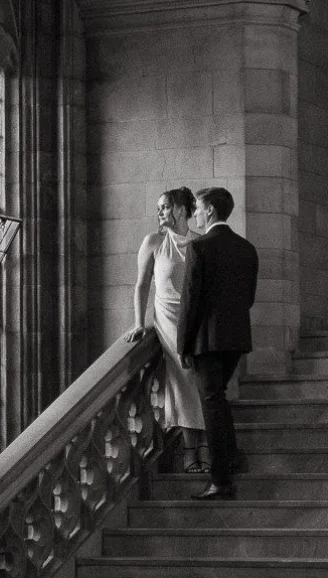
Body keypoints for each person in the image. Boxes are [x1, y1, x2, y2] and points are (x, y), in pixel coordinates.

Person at [177, 186, 259, 500]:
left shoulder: (199, 248)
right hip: (236, 339)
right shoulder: (247, 248)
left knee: (211, 405)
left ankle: (221, 480)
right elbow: (248, 298)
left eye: (197, 208)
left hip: (205, 342)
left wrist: (182, 345)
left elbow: (189, 303)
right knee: (217, 399)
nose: (195, 213)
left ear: (210, 210)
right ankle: (234, 456)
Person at [124, 187, 209, 472]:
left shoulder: (201, 243)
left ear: (181, 210)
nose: (159, 212)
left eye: (164, 207)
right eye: (159, 207)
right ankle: (190, 451)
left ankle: (201, 448)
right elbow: (141, 285)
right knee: (183, 381)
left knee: (200, 381)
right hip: (169, 321)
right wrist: (138, 322)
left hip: (196, 322)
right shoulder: (153, 242)